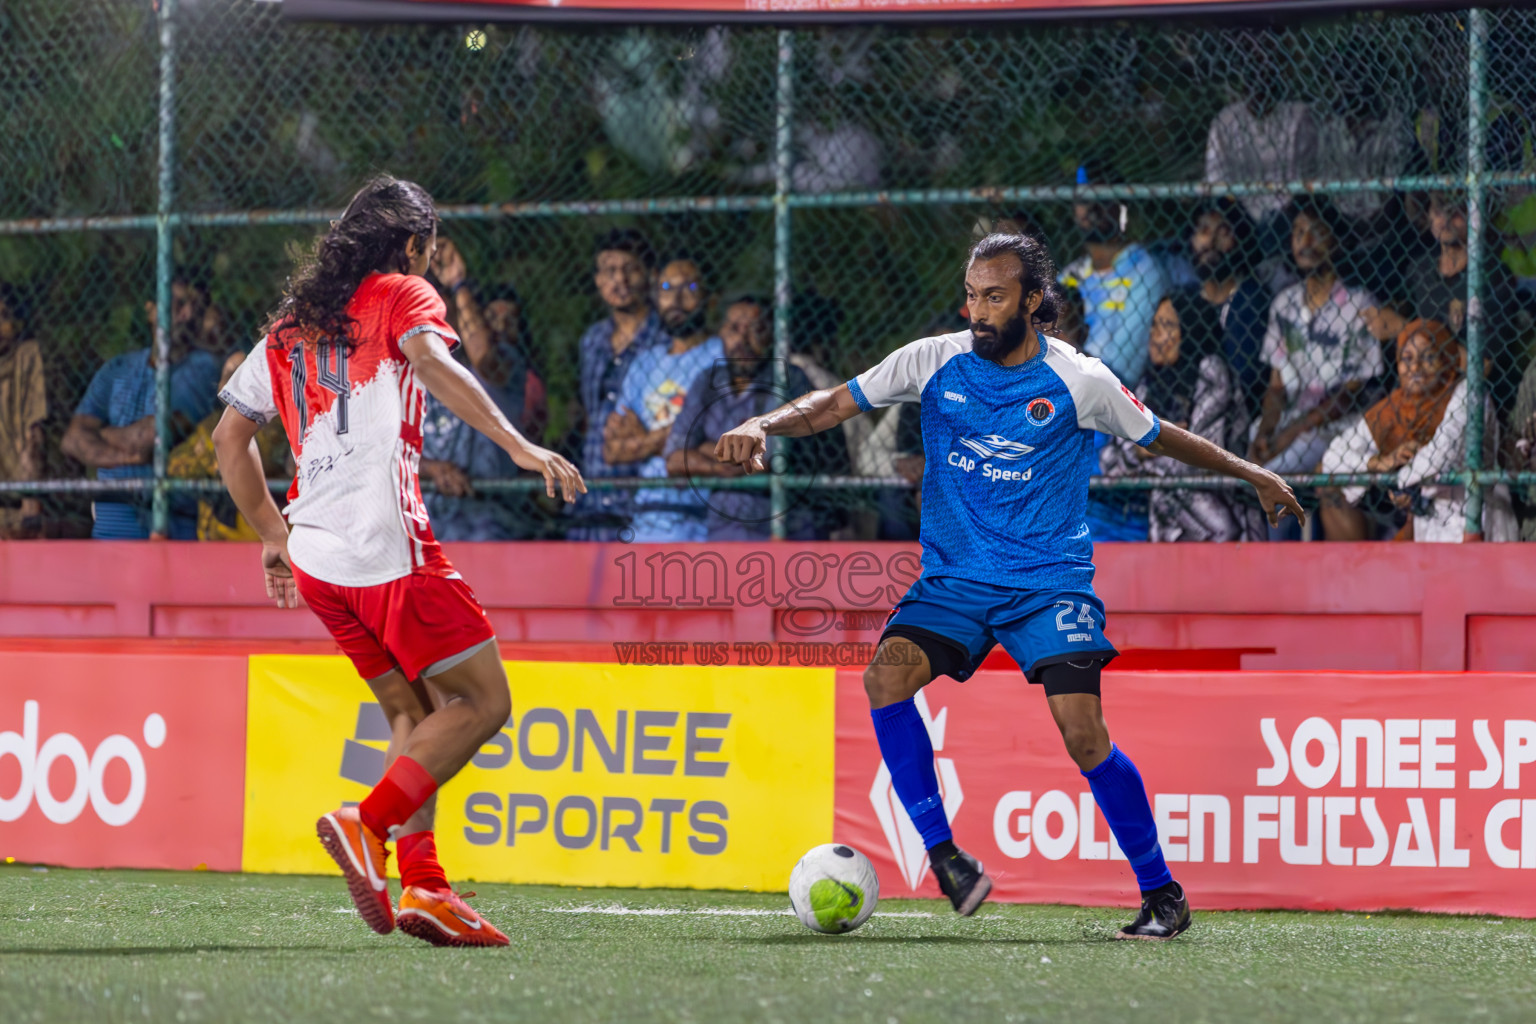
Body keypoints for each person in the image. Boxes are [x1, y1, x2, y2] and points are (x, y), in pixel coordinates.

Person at [713, 233, 1303, 938]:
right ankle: (946, 858)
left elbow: (1162, 434)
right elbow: (835, 404)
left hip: (1047, 585)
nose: (978, 310)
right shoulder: (934, 359)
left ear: (1031, 301)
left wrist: (1255, 473)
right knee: (884, 680)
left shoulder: (1079, 379)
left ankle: (1162, 893)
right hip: (954, 581)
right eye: (971, 294)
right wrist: (762, 422)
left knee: (1084, 735)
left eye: (995, 296)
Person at [211, 176, 585, 947]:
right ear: (414, 244)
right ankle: (367, 821)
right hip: (384, 543)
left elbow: (228, 440)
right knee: (484, 704)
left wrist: (272, 536)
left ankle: (425, 887)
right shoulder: (405, 293)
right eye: (430, 245)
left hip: (314, 554)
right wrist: (519, 445)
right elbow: (435, 365)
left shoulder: (288, 327)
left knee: (412, 714)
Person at [663, 295, 845, 540]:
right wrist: (723, 466)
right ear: (720, 334)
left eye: (756, 330)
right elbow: (674, 460)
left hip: (783, 527)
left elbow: (763, 461)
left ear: (771, 337)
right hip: (723, 528)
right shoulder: (707, 381)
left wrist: (706, 450)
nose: (743, 340)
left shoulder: (787, 379)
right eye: (734, 329)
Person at [1319, 319, 1514, 542]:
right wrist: (1380, 463)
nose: (1415, 367)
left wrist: (1400, 483)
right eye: (1407, 358)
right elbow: (1333, 457)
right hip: (1430, 529)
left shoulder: (1469, 393)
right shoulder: (1397, 405)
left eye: (1429, 357)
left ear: (1447, 359)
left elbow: (1440, 456)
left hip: (1477, 522)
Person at [62, 278, 221, 539]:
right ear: (151, 310)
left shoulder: (204, 369)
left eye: (196, 307)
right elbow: (72, 439)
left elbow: (151, 438)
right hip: (109, 538)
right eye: (178, 304)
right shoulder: (118, 368)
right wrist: (128, 456)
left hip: (171, 537)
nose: (187, 314)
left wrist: (102, 434)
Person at [420, 239, 548, 540]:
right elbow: (391, 448)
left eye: (439, 303)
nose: (429, 316)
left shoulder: (504, 363)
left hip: (492, 522)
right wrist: (433, 469)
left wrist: (458, 282)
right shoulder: (412, 369)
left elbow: (484, 356)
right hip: (432, 525)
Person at [1101, 292, 1253, 542]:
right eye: (1154, 325)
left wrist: (1146, 447)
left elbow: (1197, 459)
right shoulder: (1150, 384)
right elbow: (1109, 461)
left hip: (1222, 521)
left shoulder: (1211, 373)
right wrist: (1152, 447)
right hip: (1167, 528)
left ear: (1190, 331)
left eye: (1168, 326)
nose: (1155, 335)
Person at [1249, 198, 1383, 478]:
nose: (1305, 241)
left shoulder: (1358, 304)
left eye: (1316, 232)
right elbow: (1276, 386)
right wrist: (1267, 430)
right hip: (1288, 420)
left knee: (1266, 474)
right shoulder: (1284, 303)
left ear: (1336, 240)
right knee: (1253, 450)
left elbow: (1349, 395)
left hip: (1333, 425)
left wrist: (1294, 431)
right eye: (1298, 232)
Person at [604, 255, 723, 542]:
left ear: (711, 299)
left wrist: (644, 439)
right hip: (647, 518)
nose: (677, 300)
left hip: (705, 519)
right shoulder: (644, 364)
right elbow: (612, 449)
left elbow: (723, 439)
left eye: (690, 288)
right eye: (667, 288)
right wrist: (678, 442)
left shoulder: (722, 355)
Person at [573, 228, 668, 539]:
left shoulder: (665, 340)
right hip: (594, 491)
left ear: (650, 276)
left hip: (645, 490)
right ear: (598, 280)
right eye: (610, 271)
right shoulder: (592, 340)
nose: (620, 280)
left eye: (630, 269)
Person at [1403, 192, 1522, 414]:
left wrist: (1411, 333)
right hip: (1419, 390)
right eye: (1438, 212)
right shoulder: (1419, 270)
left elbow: (1482, 366)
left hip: (1470, 399)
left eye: (1456, 213)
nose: (1445, 220)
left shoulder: (1493, 276)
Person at [1058, 162, 1169, 388]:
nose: (1092, 207)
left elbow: (1120, 375)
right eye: (1083, 200)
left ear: (1122, 206)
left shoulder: (1144, 269)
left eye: (1103, 197)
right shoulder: (1071, 274)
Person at [166, 349, 288, 540]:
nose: (235, 382)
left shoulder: (278, 422)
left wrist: (214, 464)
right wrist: (214, 466)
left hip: (264, 538)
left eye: (240, 374)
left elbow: (265, 461)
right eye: (229, 376)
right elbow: (175, 465)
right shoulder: (211, 424)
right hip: (215, 542)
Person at [1188, 201, 1272, 417]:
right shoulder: (1184, 300)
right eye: (1204, 230)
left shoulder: (1251, 300)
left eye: (1223, 232)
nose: (1211, 242)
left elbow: (1247, 380)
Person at [0, 284, 46, 539]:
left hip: (23, 507)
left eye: (4, 316)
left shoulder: (26, 357)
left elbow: (34, 434)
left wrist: (31, 505)